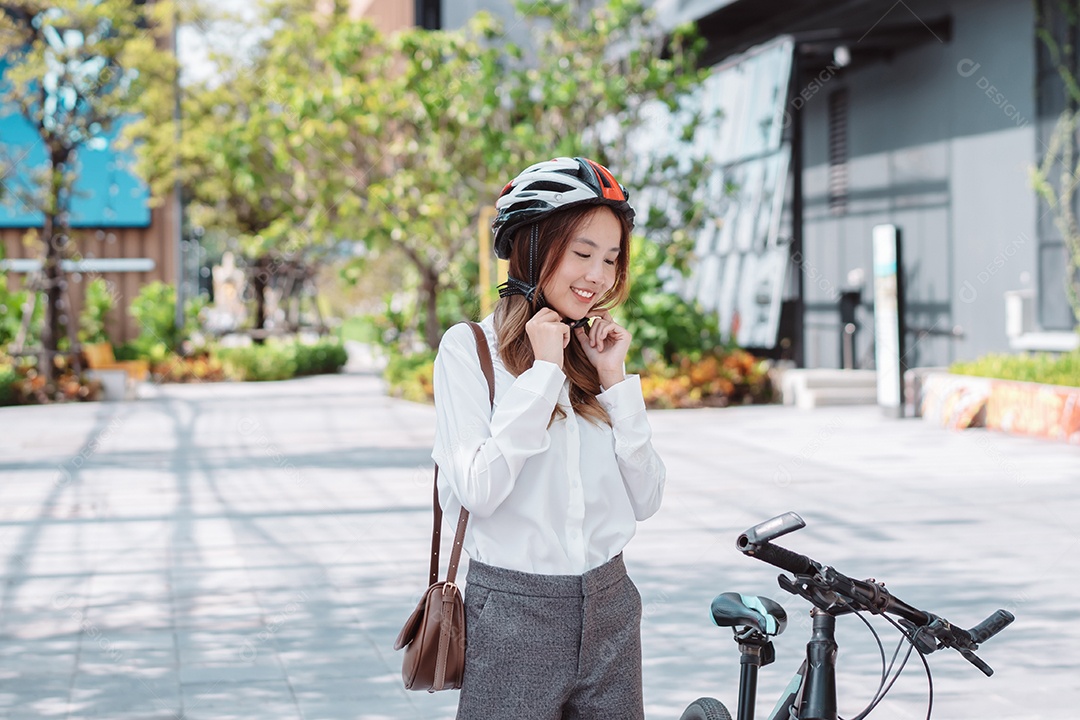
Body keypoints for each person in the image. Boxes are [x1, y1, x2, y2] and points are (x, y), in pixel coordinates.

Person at [431, 156, 666, 719]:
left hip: (611, 604)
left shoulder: (593, 356)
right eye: (582, 253)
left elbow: (647, 498)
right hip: (514, 615)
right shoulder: (470, 351)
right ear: (530, 249)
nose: (598, 276)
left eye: (610, 259)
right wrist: (542, 374)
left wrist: (614, 380)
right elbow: (479, 489)